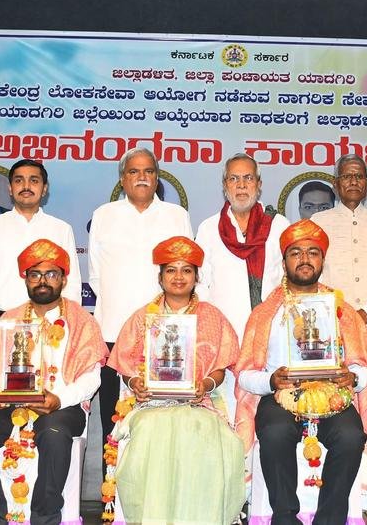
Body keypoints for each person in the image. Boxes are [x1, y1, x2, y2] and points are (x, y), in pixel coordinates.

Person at [235, 219, 367, 525]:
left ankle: (329, 520)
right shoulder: (265, 313)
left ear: (323, 259)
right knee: (274, 432)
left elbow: (363, 367)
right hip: (281, 395)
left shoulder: (342, 311)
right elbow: (243, 374)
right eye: (296, 253)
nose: (305, 259)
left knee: (351, 436)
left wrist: (352, 378)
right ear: (284, 261)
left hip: (333, 394)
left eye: (313, 252)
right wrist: (271, 380)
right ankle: (285, 518)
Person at [0, 238, 107, 525]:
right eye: (35, 274)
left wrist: (59, 399)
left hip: (62, 406)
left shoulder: (82, 321)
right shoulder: (10, 319)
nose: (43, 281)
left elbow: (92, 377)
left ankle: (45, 517)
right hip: (10, 404)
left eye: (51, 274)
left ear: (63, 279)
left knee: (53, 432)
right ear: (26, 279)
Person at [107, 236, 244, 524]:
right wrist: (135, 384)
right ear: (160, 277)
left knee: (201, 430)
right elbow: (125, 367)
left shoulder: (212, 317)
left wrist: (204, 385)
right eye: (171, 270)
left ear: (196, 277)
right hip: (150, 405)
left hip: (199, 403)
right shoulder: (143, 317)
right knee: (150, 430)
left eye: (186, 270)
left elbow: (220, 369)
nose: (178, 277)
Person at [89, 147, 192, 444]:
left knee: (163, 423)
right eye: (133, 171)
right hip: (114, 331)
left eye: (148, 171)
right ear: (123, 179)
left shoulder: (176, 216)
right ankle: (111, 475)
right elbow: (96, 276)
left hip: (165, 335)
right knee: (113, 421)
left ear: (157, 178)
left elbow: (185, 273)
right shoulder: (104, 215)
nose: (142, 177)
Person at [0, 159, 80, 369]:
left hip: (49, 328)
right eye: (19, 180)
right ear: (10, 188)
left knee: (45, 388)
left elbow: (71, 285)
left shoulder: (61, 229)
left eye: (33, 180)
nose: (26, 186)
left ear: (44, 189)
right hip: (0, 325)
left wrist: (70, 331)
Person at [194, 153, 289, 336]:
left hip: (271, 332)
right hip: (222, 333)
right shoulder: (209, 228)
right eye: (233, 179)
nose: (241, 185)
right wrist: (210, 325)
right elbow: (200, 282)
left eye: (248, 178)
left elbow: (289, 280)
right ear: (225, 186)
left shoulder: (279, 225)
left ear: (259, 185)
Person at [310, 154, 367, 323]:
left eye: (359, 177)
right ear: (335, 184)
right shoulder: (318, 222)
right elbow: (312, 276)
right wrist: (336, 313)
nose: (354, 182)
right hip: (331, 322)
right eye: (347, 176)